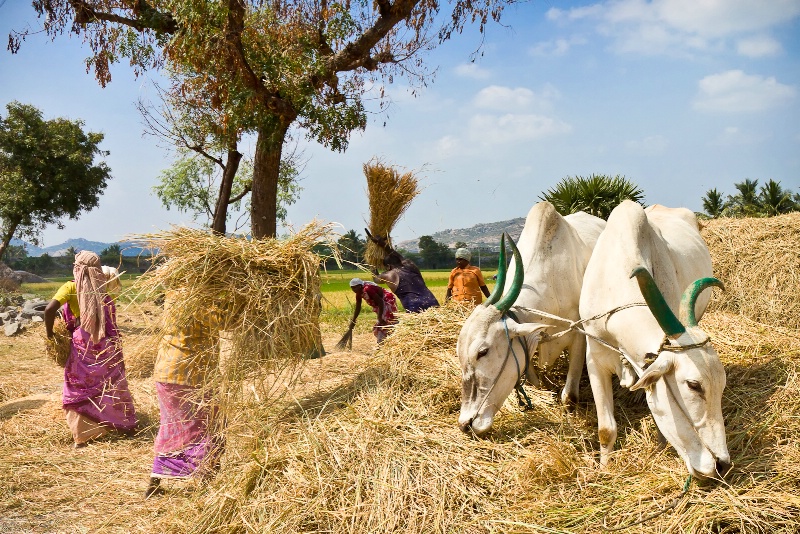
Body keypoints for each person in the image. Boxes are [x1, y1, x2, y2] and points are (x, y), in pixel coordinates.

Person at [43, 251, 137, 448]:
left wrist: (50, 334)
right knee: (109, 385)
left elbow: (49, 309)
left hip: (82, 344)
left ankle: (83, 436)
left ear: (77, 267)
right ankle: (122, 425)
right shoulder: (103, 289)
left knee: (79, 387)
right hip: (106, 344)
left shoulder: (70, 287)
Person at [144, 291, 223, 498]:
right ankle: (207, 482)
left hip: (166, 371)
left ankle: (155, 482)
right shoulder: (200, 296)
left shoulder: (173, 295)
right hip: (192, 374)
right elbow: (223, 321)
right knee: (210, 426)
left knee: (170, 429)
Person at [365, 229, 439, 313]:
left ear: (388, 266)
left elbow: (375, 279)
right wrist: (383, 244)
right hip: (432, 302)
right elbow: (398, 256)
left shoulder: (388, 275)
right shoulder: (410, 265)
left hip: (414, 307)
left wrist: (372, 261)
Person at [348, 278, 398, 343]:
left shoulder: (367, 289)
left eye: (355, 287)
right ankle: (387, 340)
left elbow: (380, 302)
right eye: (352, 288)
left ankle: (382, 342)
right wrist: (353, 320)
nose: (353, 290)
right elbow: (358, 307)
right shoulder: (358, 293)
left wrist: (380, 317)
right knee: (384, 322)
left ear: (360, 286)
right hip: (380, 304)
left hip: (387, 300)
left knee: (385, 322)